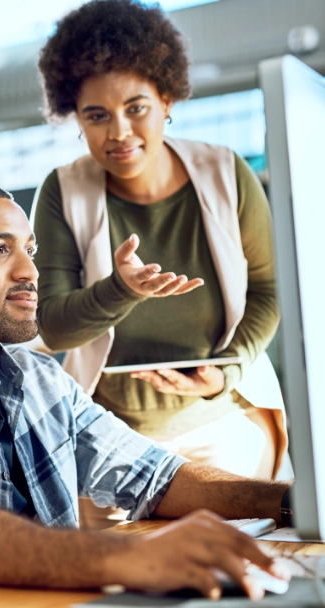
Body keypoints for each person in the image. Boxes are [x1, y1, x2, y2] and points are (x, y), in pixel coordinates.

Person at [0, 184, 291, 606]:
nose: (30, 271)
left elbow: (156, 477)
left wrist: (289, 502)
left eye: (29, 249)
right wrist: (123, 555)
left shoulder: (40, 377)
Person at [32, 0, 287, 516]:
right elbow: (53, 327)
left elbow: (269, 290)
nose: (119, 132)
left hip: (217, 424)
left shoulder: (225, 173)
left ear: (167, 99)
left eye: (137, 107)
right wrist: (121, 289)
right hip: (108, 442)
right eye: (96, 115)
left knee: (231, 571)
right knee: (118, 588)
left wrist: (225, 373)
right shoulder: (63, 191)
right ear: (75, 118)